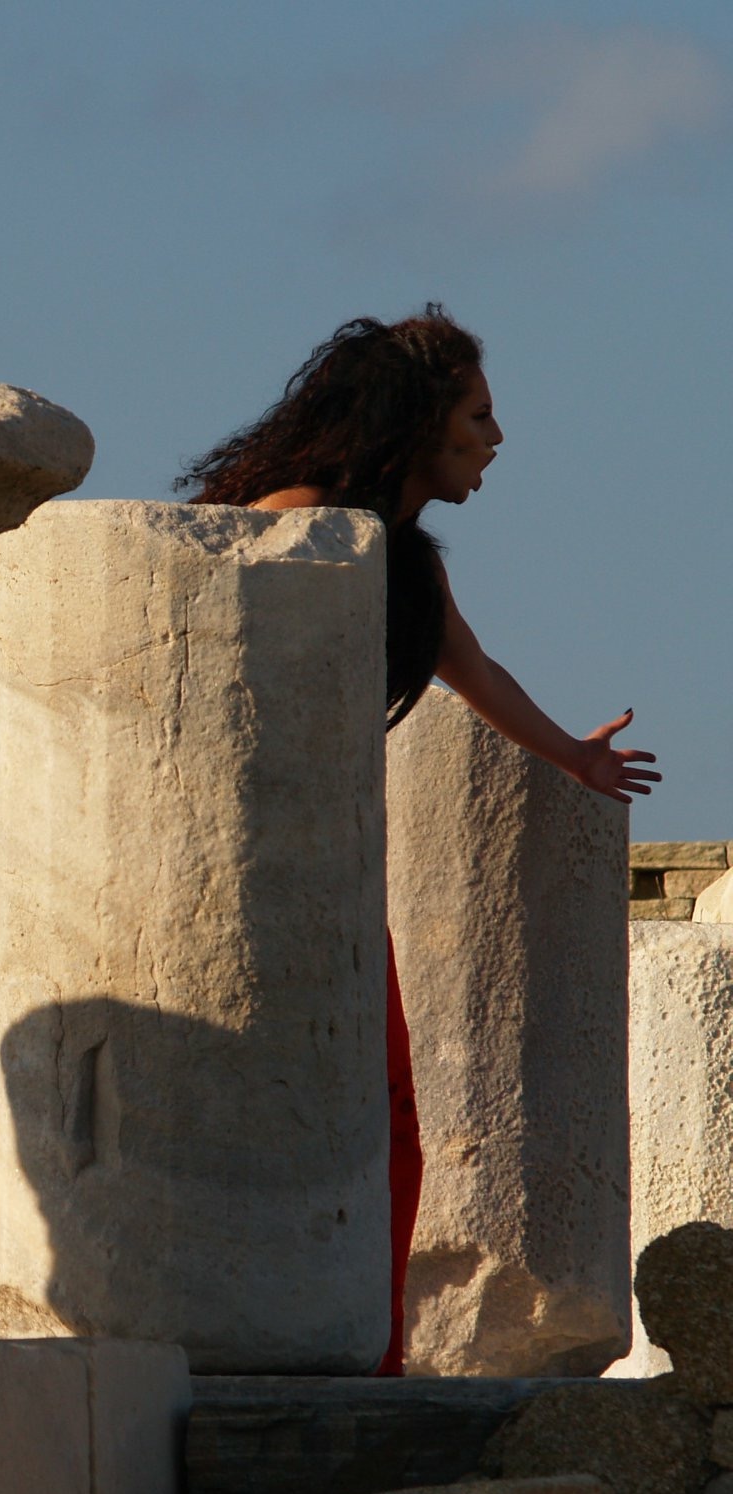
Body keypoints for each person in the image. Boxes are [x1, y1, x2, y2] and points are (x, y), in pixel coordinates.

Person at [179, 305, 658, 1374]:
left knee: (389, 1125)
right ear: (413, 422)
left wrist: (573, 760)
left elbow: (473, 672)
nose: (496, 439)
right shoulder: (290, 524)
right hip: (235, 869)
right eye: (477, 418)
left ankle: (374, 1362)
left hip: (334, 876)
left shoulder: (406, 561)